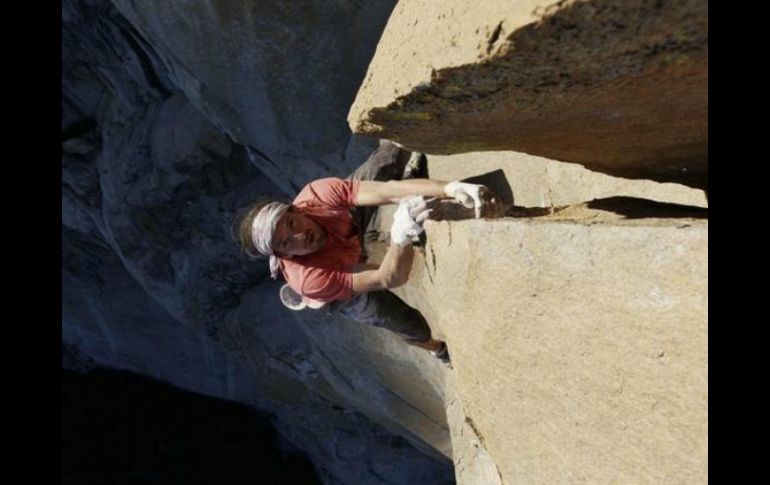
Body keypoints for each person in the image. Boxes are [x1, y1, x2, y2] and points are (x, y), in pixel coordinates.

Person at [235, 142, 489, 364]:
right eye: (286, 243)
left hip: (345, 224)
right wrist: (402, 234)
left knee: (389, 158)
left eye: (292, 224)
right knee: (405, 321)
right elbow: (388, 277)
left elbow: (386, 191)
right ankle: (436, 350)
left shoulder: (318, 195)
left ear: (296, 209)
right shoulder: (310, 279)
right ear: (284, 256)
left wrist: (451, 189)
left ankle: (406, 170)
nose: (300, 236)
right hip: (341, 282)